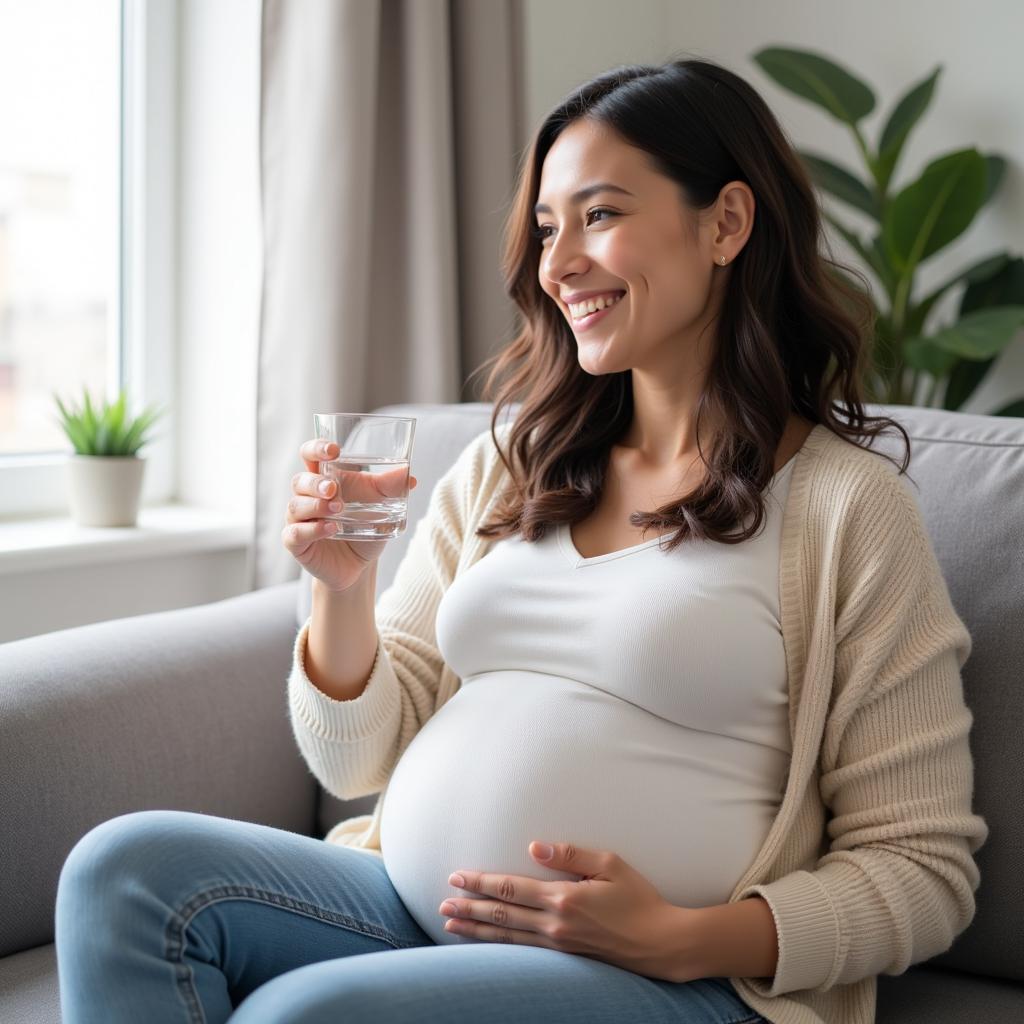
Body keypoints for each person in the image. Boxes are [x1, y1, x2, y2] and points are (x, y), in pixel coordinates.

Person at [55, 56, 988, 1024]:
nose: (557, 263)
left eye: (599, 214)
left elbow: (920, 868)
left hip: (680, 982)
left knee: (310, 1013)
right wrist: (341, 587)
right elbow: (354, 764)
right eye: (547, 228)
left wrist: (679, 935)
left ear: (726, 223)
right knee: (124, 869)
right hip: (423, 911)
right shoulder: (514, 465)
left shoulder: (846, 508)